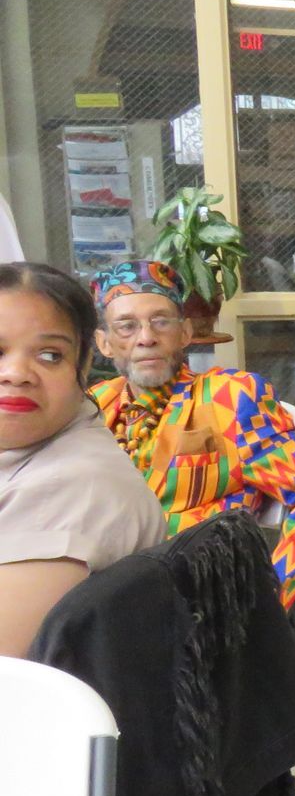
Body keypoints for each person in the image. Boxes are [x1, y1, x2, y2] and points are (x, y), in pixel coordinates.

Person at [88, 259, 295, 607]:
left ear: (185, 333)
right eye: (126, 326)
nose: (146, 338)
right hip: (105, 595)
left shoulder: (230, 396)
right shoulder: (92, 408)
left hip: (200, 596)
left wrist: (271, 595)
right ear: (104, 343)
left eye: (160, 322)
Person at [0, 263, 167, 656]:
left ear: (84, 364)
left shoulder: (73, 489)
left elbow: (7, 668)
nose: (17, 373)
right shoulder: (28, 445)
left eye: (49, 355)